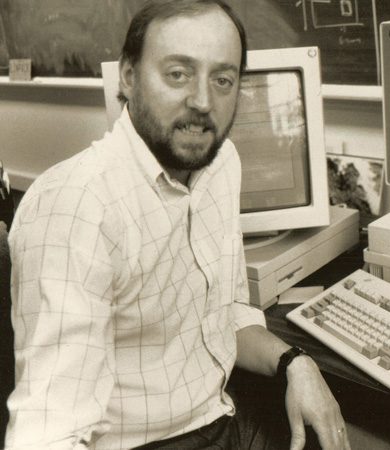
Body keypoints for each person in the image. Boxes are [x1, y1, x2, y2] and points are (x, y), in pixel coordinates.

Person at [5, 1, 350, 448]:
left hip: (220, 414)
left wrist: (296, 363)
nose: (203, 102)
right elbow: (48, 434)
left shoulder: (220, 162)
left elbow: (222, 314)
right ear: (128, 77)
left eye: (222, 79)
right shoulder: (76, 208)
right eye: (178, 75)